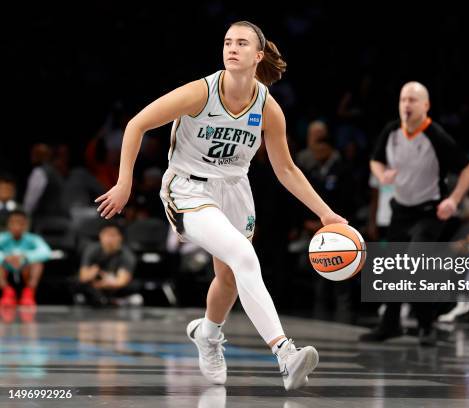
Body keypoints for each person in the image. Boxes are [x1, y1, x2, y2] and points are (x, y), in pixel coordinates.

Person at [94, 21, 346, 390]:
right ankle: (285, 354)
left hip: (234, 190)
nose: (232, 48)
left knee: (228, 276)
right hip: (188, 189)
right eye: (228, 42)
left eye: (242, 43)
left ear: (257, 55)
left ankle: (208, 334)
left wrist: (324, 212)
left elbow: (287, 169)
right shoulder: (201, 92)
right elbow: (136, 125)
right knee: (244, 255)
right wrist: (124, 182)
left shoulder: (268, 108)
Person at [362, 81, 469, 344]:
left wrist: (454, 200)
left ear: (426, 106)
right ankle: (390, 324)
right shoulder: (391, 131)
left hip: (429, 212)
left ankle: (426, 325)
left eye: (413, 100)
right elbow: (375, 160)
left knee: (414, 263)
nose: (407, 105)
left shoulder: (435, 135)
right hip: (401, 210)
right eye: (403, 99)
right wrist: (383, 176)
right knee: (392, 267)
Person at [72, 222, 141, 307]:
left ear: (120, 237)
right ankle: (107, 300)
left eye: (113, 235)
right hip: (95, 284)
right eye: (107, 235)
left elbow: (121, 281)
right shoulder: (92, 250)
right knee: (76, 282)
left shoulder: (126, 254)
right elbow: (83, 276)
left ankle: (107, 300)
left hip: (112, 286)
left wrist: (104, 283)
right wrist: (93, 274)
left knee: (133, 286)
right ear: (100, 236)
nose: (110, 239)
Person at [0, 210, 51, 306]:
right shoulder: (2, 238)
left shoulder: (33, 238)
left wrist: (26, 256)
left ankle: (28, 293)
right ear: (8, 225)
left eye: (20, 223)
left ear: (26, 225)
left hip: (25, 268)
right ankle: (7, 293)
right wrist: (5, 257)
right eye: (13, 222)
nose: (17, 226)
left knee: (37, 264)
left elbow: (46, 252)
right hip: (6, 268)